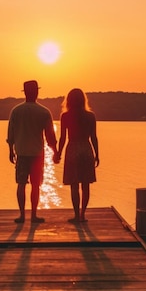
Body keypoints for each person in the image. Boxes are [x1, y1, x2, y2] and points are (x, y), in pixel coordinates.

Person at [7, 80, 58, 223]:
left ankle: (22, 215)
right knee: (36, 185)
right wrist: (55, 151)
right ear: (37, 92)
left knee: (21, 184)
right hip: (37, 154)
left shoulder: (16, 111)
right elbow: (50, 136)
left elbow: (11, 133)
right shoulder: (43, 112)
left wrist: (11, 151)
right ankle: (34, 215)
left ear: (24, 92)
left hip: (22, 152)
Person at [54, 88, 99, 223]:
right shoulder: (90, 116)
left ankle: (76, 215)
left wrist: (58, 153)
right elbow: (94, 137)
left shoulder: (65, 116)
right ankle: (83, 214)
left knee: (74, 184)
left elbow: (63, 138)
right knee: (86, 185)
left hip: (72, 149)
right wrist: (97, 154)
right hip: (86, 148)